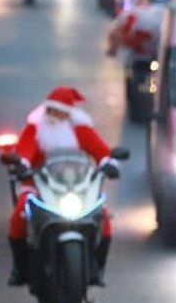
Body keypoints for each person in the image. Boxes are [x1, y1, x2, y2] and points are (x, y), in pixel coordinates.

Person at [7, 88, 117, 286]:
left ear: (68, 113)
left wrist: (108, 163)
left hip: (78, 185)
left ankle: (96, 267)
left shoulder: (80, 129)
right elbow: (25, 150)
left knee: (103, 216)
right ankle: (20, 268)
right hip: (38, 183)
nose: (55, 115)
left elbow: (100, 150)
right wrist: (21, 163)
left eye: (60, 112)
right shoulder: (36, 127)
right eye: (52, 111)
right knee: (18, 216)